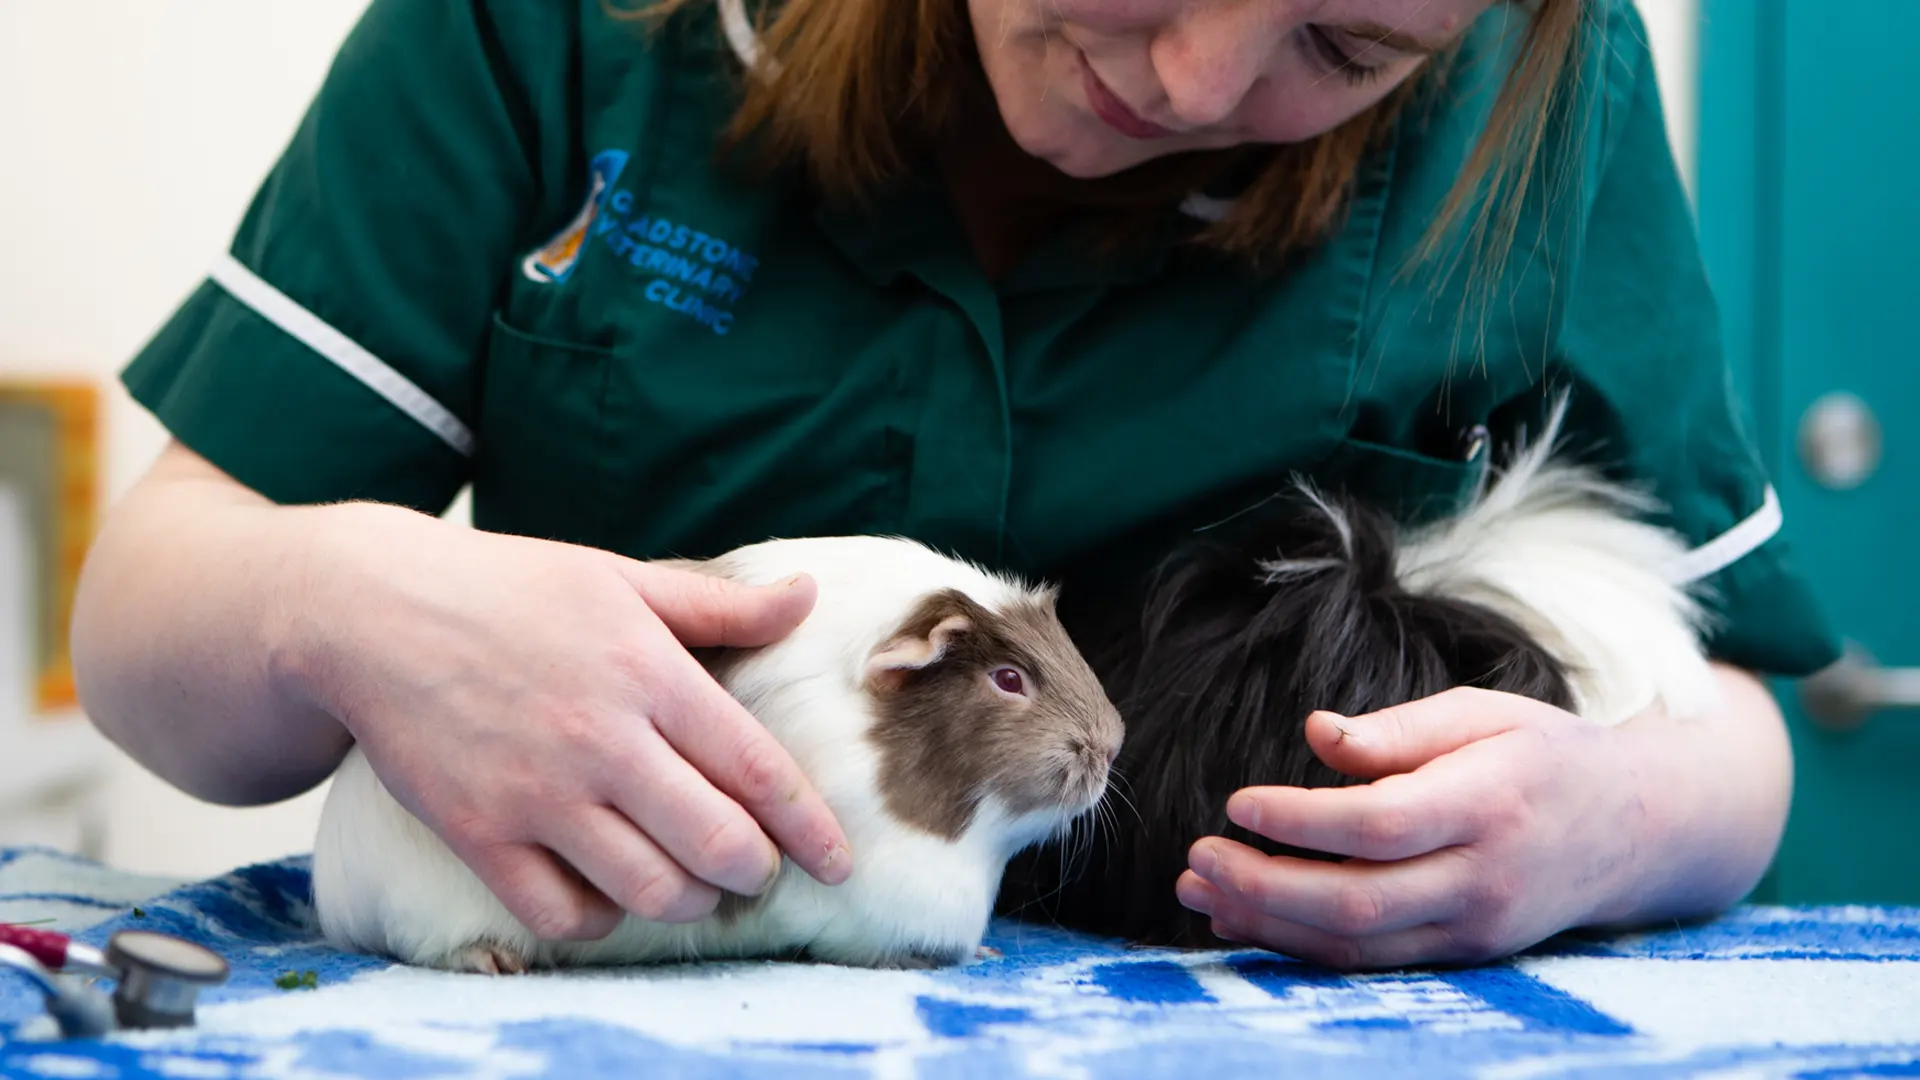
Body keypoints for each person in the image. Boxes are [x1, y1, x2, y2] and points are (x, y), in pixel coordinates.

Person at [70, 0, 1839, 971]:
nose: (1197, 78)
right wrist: (335, 605)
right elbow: (150, 628)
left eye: (1348, 51)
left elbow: (1746, 720)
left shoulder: (1548, 93)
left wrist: (1617, 819)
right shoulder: (547, 29)